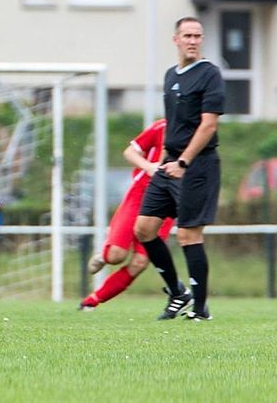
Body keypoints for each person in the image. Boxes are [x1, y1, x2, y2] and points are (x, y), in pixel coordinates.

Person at [133, 17, 224, 321]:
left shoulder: (210, 75)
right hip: (170, 163)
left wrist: (184, 161)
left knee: (188, 234)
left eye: (198, 35)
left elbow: (208, 124)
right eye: (187, 35)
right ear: (176, 39)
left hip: (196, 165)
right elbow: (175, 123)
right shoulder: (172, 74)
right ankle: (178, 292)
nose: (193, 40)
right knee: (143, 229)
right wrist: (168, 159)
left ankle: (200, 310)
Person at [79, 119, 175, 310]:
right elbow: (130, 152)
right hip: (141, 195)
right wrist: (149, 166)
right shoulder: (162, 126)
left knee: (140, 262)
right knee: (116, 255)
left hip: (169, 202)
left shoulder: (200, 133)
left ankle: (91, 301)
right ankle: (104, 256)